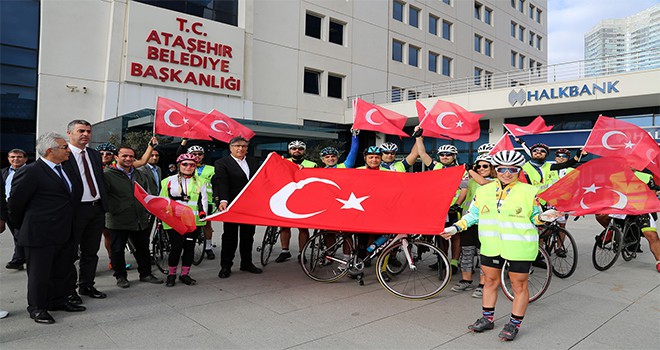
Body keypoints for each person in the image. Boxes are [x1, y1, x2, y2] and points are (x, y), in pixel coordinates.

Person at [442, 150, 558, 341]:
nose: (507, 173)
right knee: (490, 281)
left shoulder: (530, 191)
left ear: (518, 170)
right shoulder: (483, 190)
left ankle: (514, 323)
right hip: (491, 244)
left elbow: (535, 217)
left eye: (512, 169)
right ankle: (487, 319)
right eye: (502, 169)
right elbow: (473, 215)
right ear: (496, 169)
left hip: (520, 246)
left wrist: (543, 217)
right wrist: (456, 227)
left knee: (518, 285)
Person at [9, 132, 85, 324]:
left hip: (65, 231)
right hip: (39, 233)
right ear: (51, 150)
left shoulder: (65, 168)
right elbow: (16, 204)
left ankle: (58, 301)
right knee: (39, 274)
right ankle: (37, 308)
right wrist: (24, 226)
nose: (69, 150)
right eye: (65, 147)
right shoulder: (31, 171)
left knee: (62, 270)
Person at [103, 146, 163, 288]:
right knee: (117, 249)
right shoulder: (107, 175)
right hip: (118, 219)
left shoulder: (139, 174)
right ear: (116, 157)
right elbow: (103, 196)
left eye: (131, 156)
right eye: (124, 156)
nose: (128, 159)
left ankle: (146, 274)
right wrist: (115, 209)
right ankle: (121, 276)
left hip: (139, 219)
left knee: (142, 248)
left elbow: (145, 193)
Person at [62, 120, 108, 303]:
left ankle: (87, 285)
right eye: (81, 131)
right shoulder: (63, 154)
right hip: (75, 211)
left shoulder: (94, 155)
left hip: (96, 209)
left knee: (91, 251)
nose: (85, 134)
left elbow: (99, 179)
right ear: (69, 133)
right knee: (70, 253)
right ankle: (68, 290)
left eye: (88, 131)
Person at [415, 130, 468, 274]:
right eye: (442, 155)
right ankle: (443, 259)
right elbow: (422, 154)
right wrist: (419, 137)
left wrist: (457, 204)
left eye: (448, 155)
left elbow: (464, 190)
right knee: (441, 235)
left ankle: (454, 262)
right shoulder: (437, 166)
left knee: (455, 236)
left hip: (453, 208)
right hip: (439, 207)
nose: (445, 157)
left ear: (454, 156)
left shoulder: (461, 169)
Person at [213, 136, 262, 278]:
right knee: (230, 236)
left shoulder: (253, 161)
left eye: (244, 146)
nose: (240, 149)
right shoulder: (222, 162)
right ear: (231, 148)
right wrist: (223, 200)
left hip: (249, 206)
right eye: (237, 146)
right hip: (232, 204)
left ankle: (247, 263)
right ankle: (226, 266)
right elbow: (222, 182)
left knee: (248, 236)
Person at [159, 153, 209, 286]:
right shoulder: (167, 181)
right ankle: (171, 274)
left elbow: (204, 200)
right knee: (176, 248)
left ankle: (185, 274)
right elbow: (162, 201)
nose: (188, 167)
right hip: (174, 221)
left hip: (193, 222)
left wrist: (204, 215)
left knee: (189, 248)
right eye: (185, 164)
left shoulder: (201, 182)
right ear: (179, 165)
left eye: (192, 164)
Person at [451, 153, 495, 298]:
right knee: (467, 252)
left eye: (485, 166)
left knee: (482, 255)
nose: (481, 168)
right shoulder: (470, 179)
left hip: (486, 223)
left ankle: (483, 284)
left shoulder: (496, 182)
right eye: (479, 166)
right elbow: (459, 187)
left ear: (492, 168)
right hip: (469, 221)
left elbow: (483, 182)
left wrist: (470, 170)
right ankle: (466, 280)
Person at [275, 140, 318, 263]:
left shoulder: (312, 164)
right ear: (289, 151)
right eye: (294, 148)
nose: (297, 150)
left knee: (303, 228)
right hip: (286, 196)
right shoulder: (283, 162)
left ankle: (302, 253)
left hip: (303, 199)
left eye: (300, 148)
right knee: (284, 226)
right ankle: (285, 251)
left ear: (304, 151)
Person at [179, 143, 216, 260]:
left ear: (203, 156)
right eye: (194, 154)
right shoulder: (187, 166)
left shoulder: (212, 169)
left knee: (207, 224)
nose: (197, 156)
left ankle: (208, 247)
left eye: (200, 154)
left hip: (207, 200)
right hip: (190, 201)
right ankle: (186, 246)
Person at [3, 148, 28, 270]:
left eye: (19, 157)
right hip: (7, 208)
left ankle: (18, 259)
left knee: (20, 234)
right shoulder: (4, 172)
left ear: (25, 159)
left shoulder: (31, 172)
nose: (15, 159)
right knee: (16, 235)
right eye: (12, 157)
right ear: (8, 159)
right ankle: (20, 257)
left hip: (24, 209)